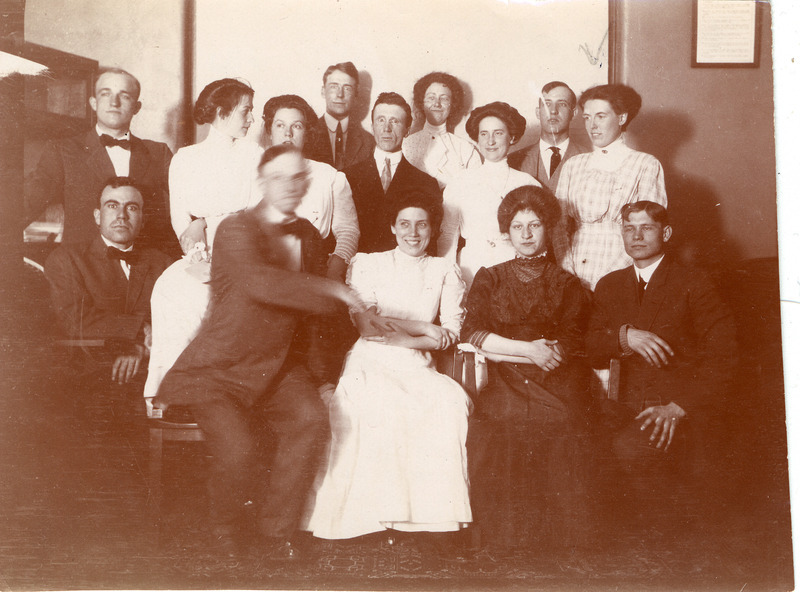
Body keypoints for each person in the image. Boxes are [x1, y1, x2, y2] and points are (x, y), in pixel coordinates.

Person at [153, 145, 365, 561]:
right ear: (264, 182)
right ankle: (223, 529)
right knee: (239, 450)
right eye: (280, 177)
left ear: (306, 183)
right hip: (219, 369)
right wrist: (334, 288)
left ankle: (277, 531)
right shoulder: (235, 229)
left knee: (310, 419)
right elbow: (261, 284)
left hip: (278, 367)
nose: (291, 185)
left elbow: (311, 319)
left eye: (298, 177)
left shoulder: (306, 234)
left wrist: (323, 373)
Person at [305, 189, 472, 554]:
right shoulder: (368, 263)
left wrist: (416, 339)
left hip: (416, 362)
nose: (413, 233)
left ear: (433, 229)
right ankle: (365, 517)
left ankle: (430, 518)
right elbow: (367, 327)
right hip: (370, 358)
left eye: (422, 225)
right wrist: (426, 329)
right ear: (393, 228)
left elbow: (452, 334)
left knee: (447, 402)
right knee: (372, 403)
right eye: (405, 224)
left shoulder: (444, 270)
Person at [586, 201, 736, 531]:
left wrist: (680, 407)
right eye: (629, 227)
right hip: (624, 407)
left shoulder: (694, 282)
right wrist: (626, 337)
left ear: (665, 233)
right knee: (579, 446)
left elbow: (725, 358)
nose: (636, 236)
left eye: (646, 227)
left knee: (629, 453)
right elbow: (590, 349)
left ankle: (665, 547)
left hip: (677, 408)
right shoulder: (610, 284)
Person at [462, 185, 592, 557]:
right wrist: (527, 350)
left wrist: (542, 355)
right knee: (497, 425)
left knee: (564, 421)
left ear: (548, 228)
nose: (527, 235)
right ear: (507, 233)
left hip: (554, 375)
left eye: (534, 225)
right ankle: (504, 539)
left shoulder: (567, 283)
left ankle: (557, 540)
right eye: (518, 227)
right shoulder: (490, 277)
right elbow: (472, 332)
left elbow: (566, 343)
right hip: (502, 373)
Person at [143, 78, 263, 403]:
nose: (252, 119)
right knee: (172, 291)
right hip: (198, 255)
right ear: (222, 112)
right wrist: (197, 256)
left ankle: (213, 396)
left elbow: (256, 214)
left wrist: (206, 221)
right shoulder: (185, 158)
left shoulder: (255, 156)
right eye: (246, 111)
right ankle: (170, 393)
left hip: (243, 255)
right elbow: (181, 220)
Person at [26, 68, 176, 254]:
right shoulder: (62, 151)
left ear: (136, 107)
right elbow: (26, 206)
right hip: (84, 268)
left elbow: (191, 203)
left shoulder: (158, 153)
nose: (114, 102)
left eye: (125, 96)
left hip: (146, 268)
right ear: (94, 103)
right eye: (106, 94)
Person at [44, 177, 173, 389]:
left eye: (131, 207)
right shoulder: (67, 259)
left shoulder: (164, 263)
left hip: (153, 373)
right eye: (112, 206)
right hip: (87, 378)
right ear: (97, 216)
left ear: (143, 219)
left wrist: (141, 349)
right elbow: (74, 319)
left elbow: (179, 320)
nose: (121, 215)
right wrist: (139, 328)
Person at [554, 83, 667, 290]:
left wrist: (612, 279)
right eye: (587, 117)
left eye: (601, 116)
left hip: (623, 271)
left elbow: (648, 231)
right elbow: (558, 227)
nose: (592, 125)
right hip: (572, 272)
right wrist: (568, 272)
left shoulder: (645, 164)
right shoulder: (573, 165)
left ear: (622, 118)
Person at [438, 101, 540, 288]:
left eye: (498, 133)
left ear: (512, 137)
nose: (490, 141)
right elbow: (448, 237)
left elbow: (537, 242)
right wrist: (448, 281)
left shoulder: (527, 183)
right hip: (471, 270)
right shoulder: (460, 182)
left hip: (515, 270)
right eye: (484, 134)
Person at [262, 94, 359, 281]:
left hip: (311, 271)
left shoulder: (329, 176)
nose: (287, 133)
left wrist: (334, 270)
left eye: (296, 126)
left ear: (306, 133)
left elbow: (348, 230)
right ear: (270, 131)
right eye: (280, 125)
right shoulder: (252, 172)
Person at [345, 92, 441, 254]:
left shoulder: (426, 183)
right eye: (380, 120)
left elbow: (429, 244)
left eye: (395, 121)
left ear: (407, 129)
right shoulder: (346, 176)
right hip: (356, 269)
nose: (386, 128)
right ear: (372, 126)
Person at [402, 71, 480, 189]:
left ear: (452, 104)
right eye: (431, 98)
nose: (437, 104)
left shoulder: (466, 150)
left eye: (444, 99)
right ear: (422, 102)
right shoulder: (405, 145)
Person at [508, 81, 590, 192]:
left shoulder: (589, 159)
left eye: (562, 104)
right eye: (547, 104)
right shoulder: (515, 160)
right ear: (538, 112)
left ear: (573, 113)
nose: (553, 111)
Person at [306, 61, 375, 170]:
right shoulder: (306, 135)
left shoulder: (369, 142)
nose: (340, 94)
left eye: (347, 88)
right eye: (334, 87)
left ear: (356, 94)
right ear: (323, 91)